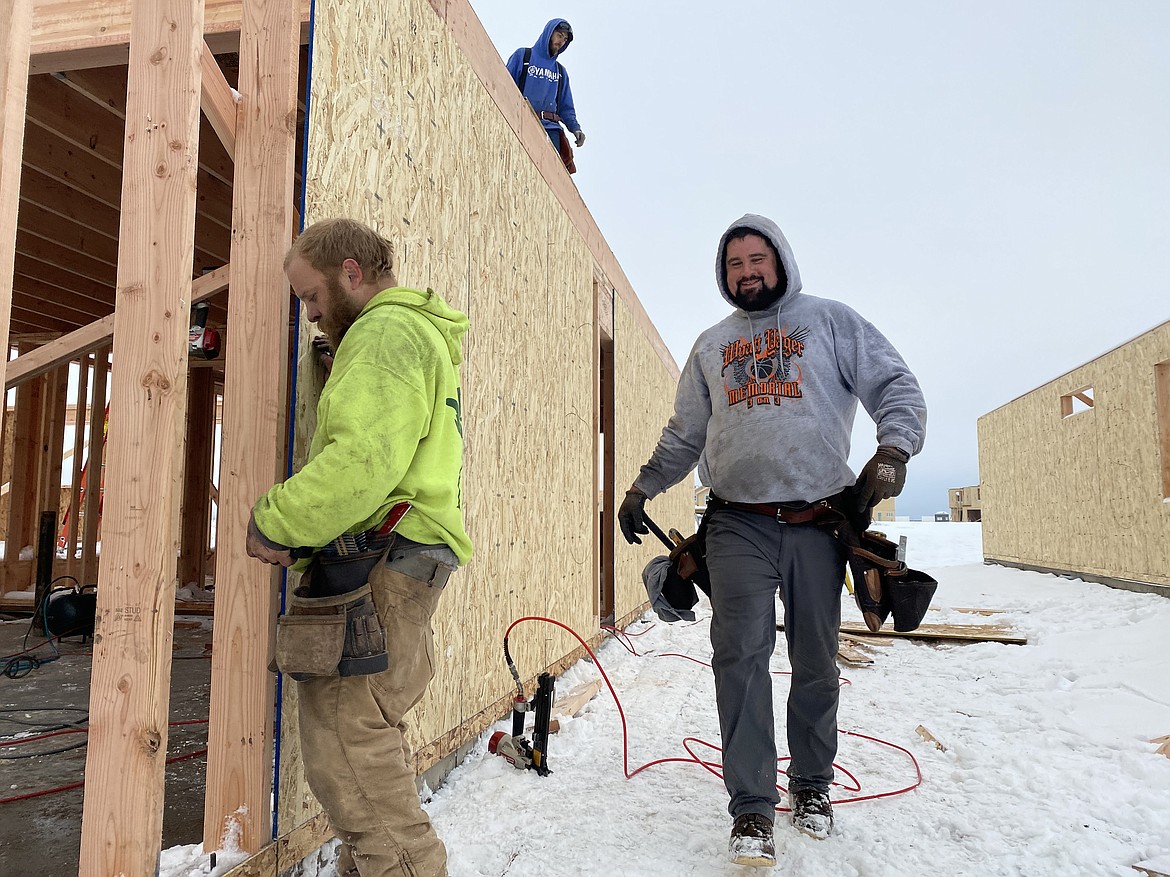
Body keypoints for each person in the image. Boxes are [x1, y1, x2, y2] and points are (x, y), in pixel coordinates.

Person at [617, 214, 926, 867]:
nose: (747, 271)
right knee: (740, 656)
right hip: (737, 523)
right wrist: (643, 487)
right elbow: (685, 434)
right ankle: (752, 805)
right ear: (723, 275)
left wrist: (893, 451)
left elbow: (895, 384)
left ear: (780, 259)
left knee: (815, 659)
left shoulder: (831, 322)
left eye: (758, 258)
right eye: (735, 264)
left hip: (819, 521)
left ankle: (812, 786)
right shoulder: (710, 346)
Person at [245, 218, 473, 877]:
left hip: (379, 560)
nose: (312, 314)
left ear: (351, 271)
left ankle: (405, 867)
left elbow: (362, 462)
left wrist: (278, 519)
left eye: (313, 297)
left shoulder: (383, 334)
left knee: (347, 744)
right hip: (405, 558)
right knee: (366, 739)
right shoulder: (407, 336)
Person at [506, 18, 585, 173]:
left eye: (565, 38)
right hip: (523, 122)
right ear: (549, 33)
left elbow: (566, 106)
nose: (561, 41)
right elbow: (505, 86)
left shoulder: (560, 72)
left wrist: (575, 128)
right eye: (559, 35)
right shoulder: (524, 57)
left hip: (551, 130)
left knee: (549, 178)